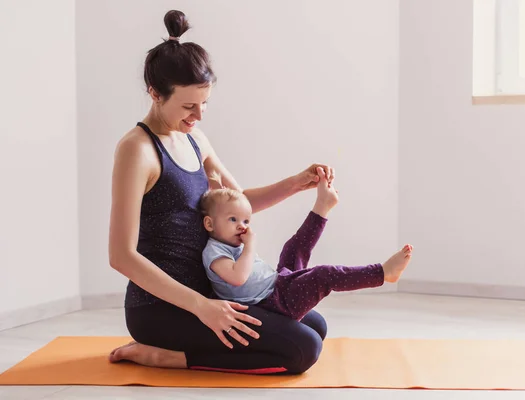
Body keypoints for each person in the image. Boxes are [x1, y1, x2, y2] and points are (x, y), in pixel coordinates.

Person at [108, 10, 339, 374]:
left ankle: (189, 345)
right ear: (154, 93)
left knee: (315, 326)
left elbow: (237, 204)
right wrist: (201, 306)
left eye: (204, 104)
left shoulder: (195, 137)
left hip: (213, 293)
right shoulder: (136, 149)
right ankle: (170, 356)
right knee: (303, 349)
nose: (198, 115)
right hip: (161, 308)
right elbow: (121, 256)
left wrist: (297, 183)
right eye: (188, 106)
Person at [200, 170, 413, 321]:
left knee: (292, 249)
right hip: (274, 303)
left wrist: (217, 185)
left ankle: (323, 206)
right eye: (233, 220)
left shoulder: (229, 240)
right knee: (324, 275)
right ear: (209, 224)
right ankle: (382, 274)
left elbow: (223, 208)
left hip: (278, 283)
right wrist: (250, 246)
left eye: (246, 221)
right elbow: (238, 278)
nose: (242, 227)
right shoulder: (215, 253)